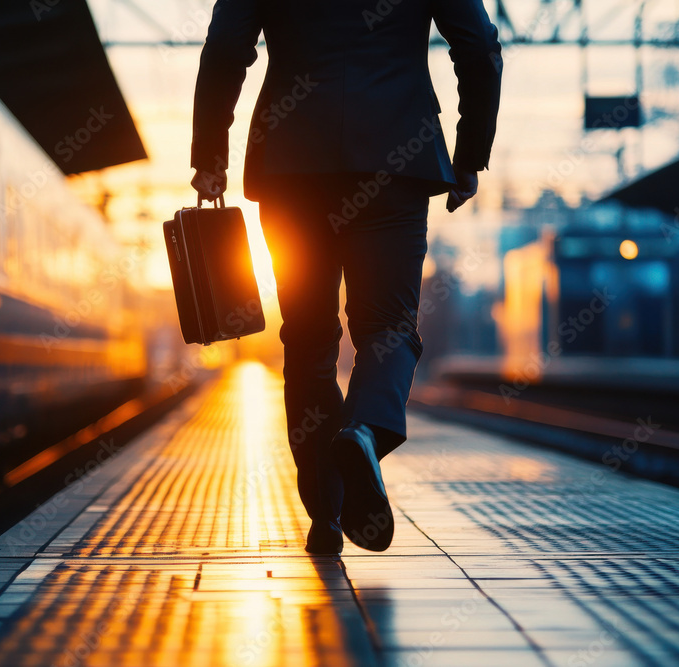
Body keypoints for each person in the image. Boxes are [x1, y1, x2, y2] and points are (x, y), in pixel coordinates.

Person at [190, 0, 502, 554]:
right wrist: (470, 154)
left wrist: (210, 154)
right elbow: (478, 48)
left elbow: (225, 49)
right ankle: (363, 431)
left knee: (308, 341)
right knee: (389, 326)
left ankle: (326, 518)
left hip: (292, 165)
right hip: (396, 161)